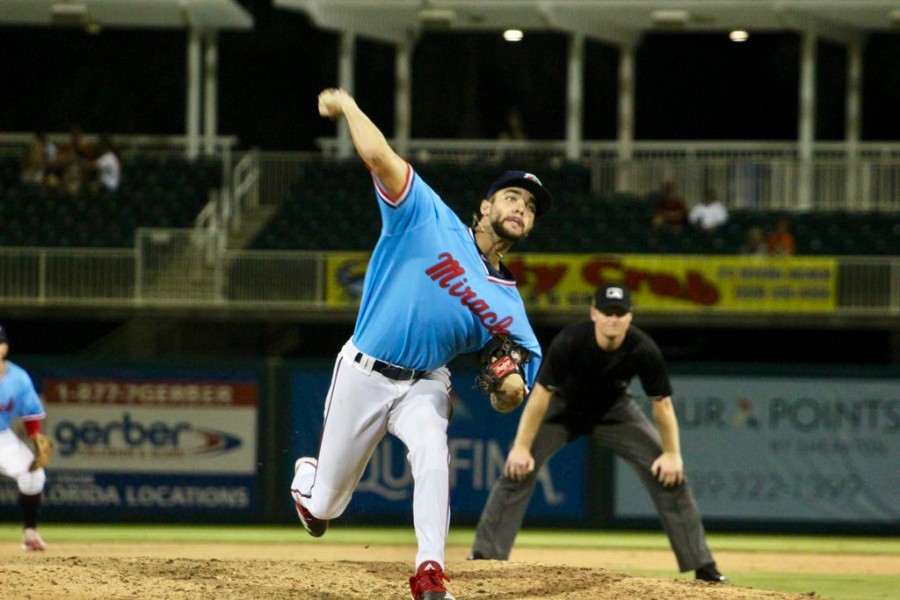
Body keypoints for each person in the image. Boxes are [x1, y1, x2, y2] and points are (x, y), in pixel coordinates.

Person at [291, 87, 553, 600]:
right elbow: (376, 155)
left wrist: (510, 388)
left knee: (433, 452)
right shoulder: (426, 216)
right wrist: (346, 105)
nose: (521, 208)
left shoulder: (511, 308)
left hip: (426, 384)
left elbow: (511, 393)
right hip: (363, 373)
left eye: (530, 206)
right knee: (325, 508)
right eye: (512, 197)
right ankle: (308, 480)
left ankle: (429, 573)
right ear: (485, 205)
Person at [468, 284, 727, 584]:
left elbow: (663, 405)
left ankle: (704, 567)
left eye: (620, 313)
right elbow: (539, 396)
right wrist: (521, 447)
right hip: (563, 411)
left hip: (615, 412)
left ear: (630, 317)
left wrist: (672, 454)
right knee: (517, 469)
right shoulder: (571, 341)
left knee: (669, 475)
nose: (613, 319)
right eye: (607, 312)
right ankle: (484, 557)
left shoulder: (642, 348)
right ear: (594, 313)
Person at [0, 324, 50, 551]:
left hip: (2, 437)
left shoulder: (18, 378)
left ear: (5, 347)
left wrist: (35, 437)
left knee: (33, 475)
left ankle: (30, 533)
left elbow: (31, 413)